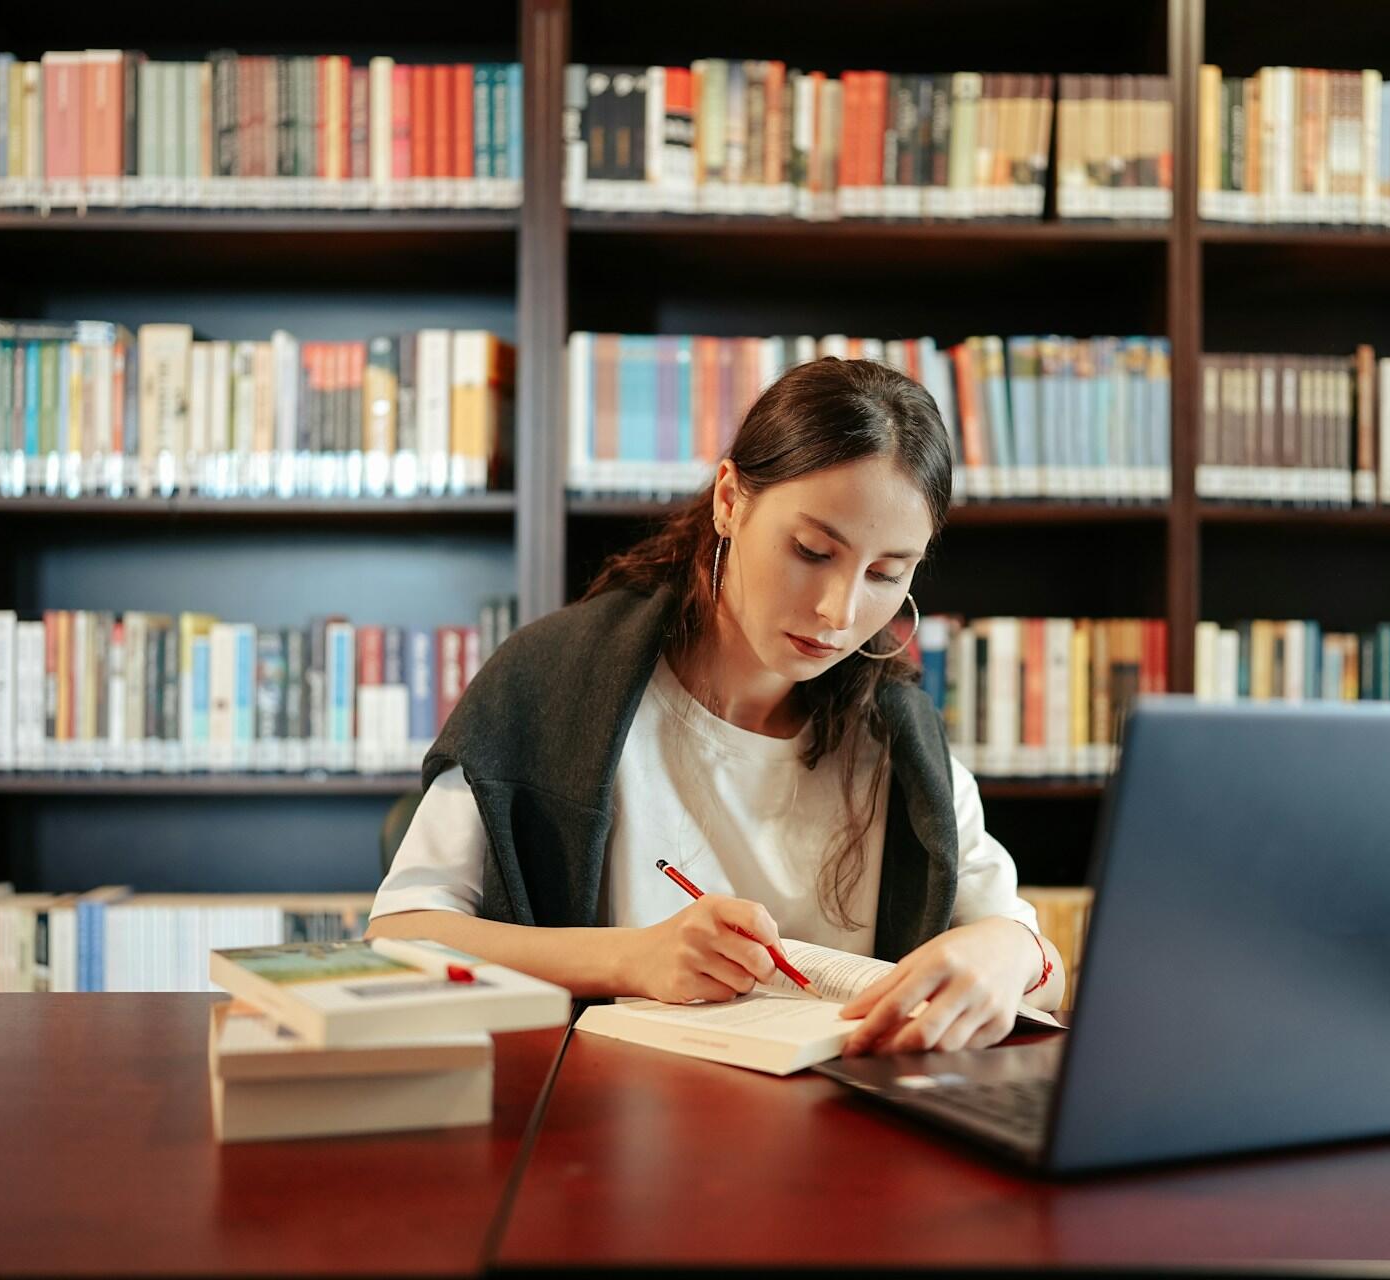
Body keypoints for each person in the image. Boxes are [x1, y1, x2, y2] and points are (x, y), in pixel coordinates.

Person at [366, 357, 1064, 1055]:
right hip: (602, 1123)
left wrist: (1007, 954)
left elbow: (1041, 969)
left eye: (886, 573)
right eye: (813, 550)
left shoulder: (894, 730)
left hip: (841, 1133)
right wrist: (631, 958)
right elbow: (401, 931)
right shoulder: (554, 678)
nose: (840, 612)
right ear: (729, 500)